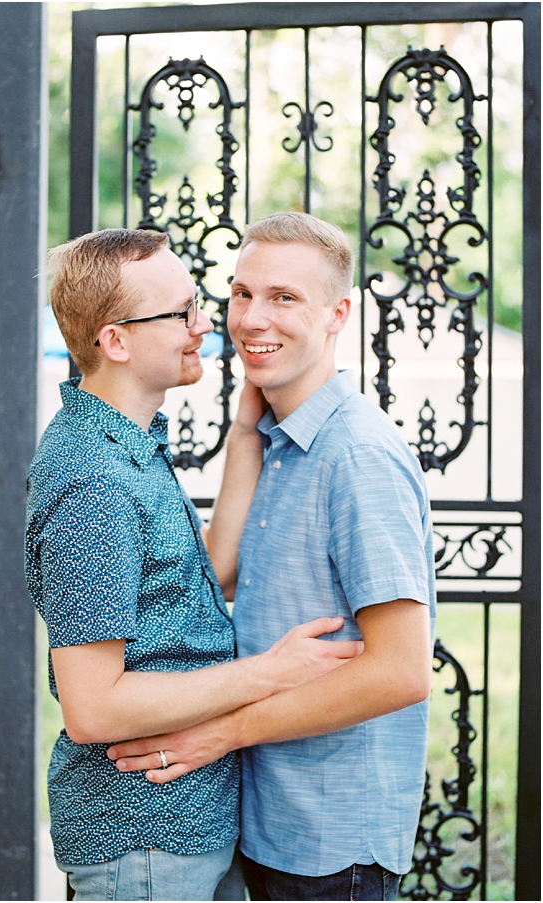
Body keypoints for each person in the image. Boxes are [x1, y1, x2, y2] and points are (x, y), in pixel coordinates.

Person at [27, 228, 363, 901]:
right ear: (115, 340)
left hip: (180, 829)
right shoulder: (94, 477)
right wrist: (270, 672)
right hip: (146, 840)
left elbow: (209, 578)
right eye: (181, 313)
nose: (207, 324)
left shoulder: (128, 444)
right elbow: (93, 707)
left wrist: (244, 433)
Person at [107, 212, 435, 901]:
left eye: (284, 298)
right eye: (241, 293)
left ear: (338, 313)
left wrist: (219, 733)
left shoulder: (357, 456)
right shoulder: (278, 444)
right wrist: (244, 433)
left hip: (331, 847)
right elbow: (216, 574)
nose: (253, 317)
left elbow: (402, 671)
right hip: (268, 824)